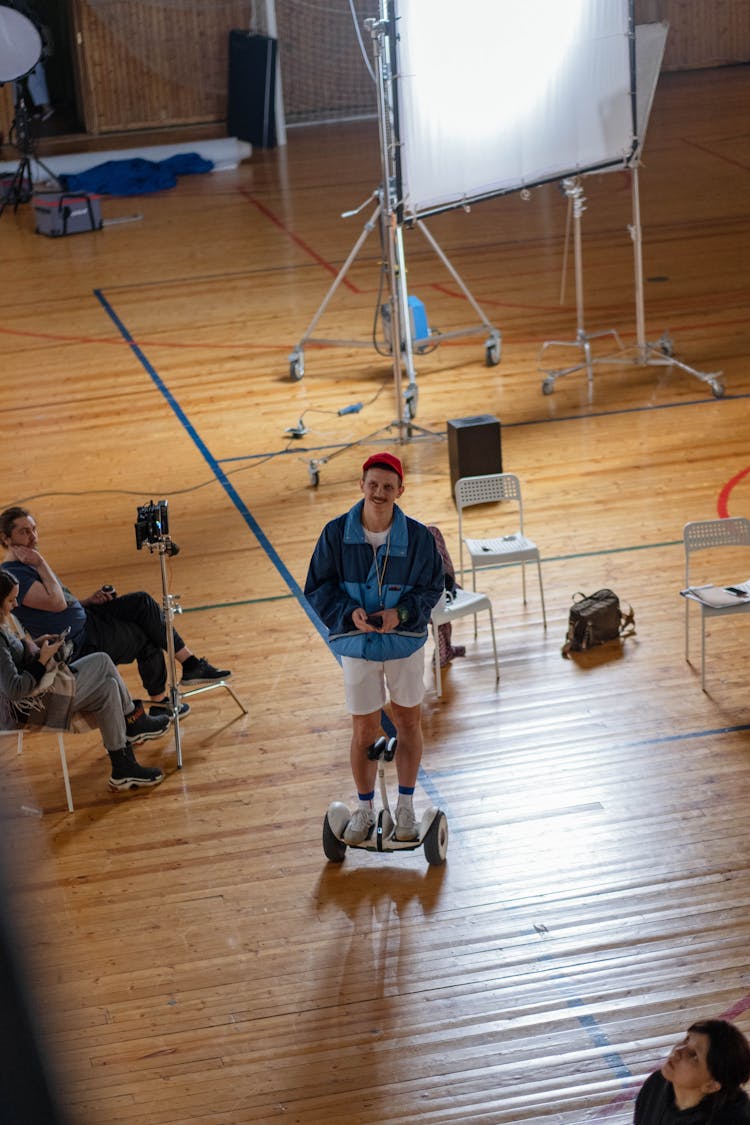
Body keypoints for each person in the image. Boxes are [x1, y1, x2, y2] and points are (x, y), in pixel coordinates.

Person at [305, 452, 444, 844]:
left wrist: (402, 612)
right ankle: (364, 809)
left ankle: (405, 807)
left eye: (388, 486)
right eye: (373, 485)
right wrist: (350, 614)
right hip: (357, 643)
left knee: (408, 721)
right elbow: (317, 587)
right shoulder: (335, 534)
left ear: (400, 490)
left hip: (404, 642)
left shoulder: (418, 538)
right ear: (361, 485)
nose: (380, 493)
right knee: (363, 726)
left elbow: (433, 588)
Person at [0, 506, 231, 718]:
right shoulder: (16, 573)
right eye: (24, 532)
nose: (33, 537)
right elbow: (57, 603)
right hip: (80, 641)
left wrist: (86, 601)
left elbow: (58, 605)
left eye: (34, 530)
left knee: (142, 602)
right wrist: (41, 563)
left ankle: (188, 666)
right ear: (6, 538)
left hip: (88, 618)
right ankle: (162, 703)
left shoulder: (25, 562)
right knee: (146, 636)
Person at [0, 570, 169, 791]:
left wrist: (39, 644)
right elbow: (14, 689)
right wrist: (41, 661)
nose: (15, 604)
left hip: (39, 691)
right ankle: (133, 719)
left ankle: (123, 768)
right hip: (30, 707)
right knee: (101, 661)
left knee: (107, 689)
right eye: (11, 600)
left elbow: (17, 659)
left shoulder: (4, 623)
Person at [634, 1019, 750, 1124]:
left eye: (694, 1056)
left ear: (711, 1085)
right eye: (686, 1039)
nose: (678, 1050)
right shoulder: (656, 1083)